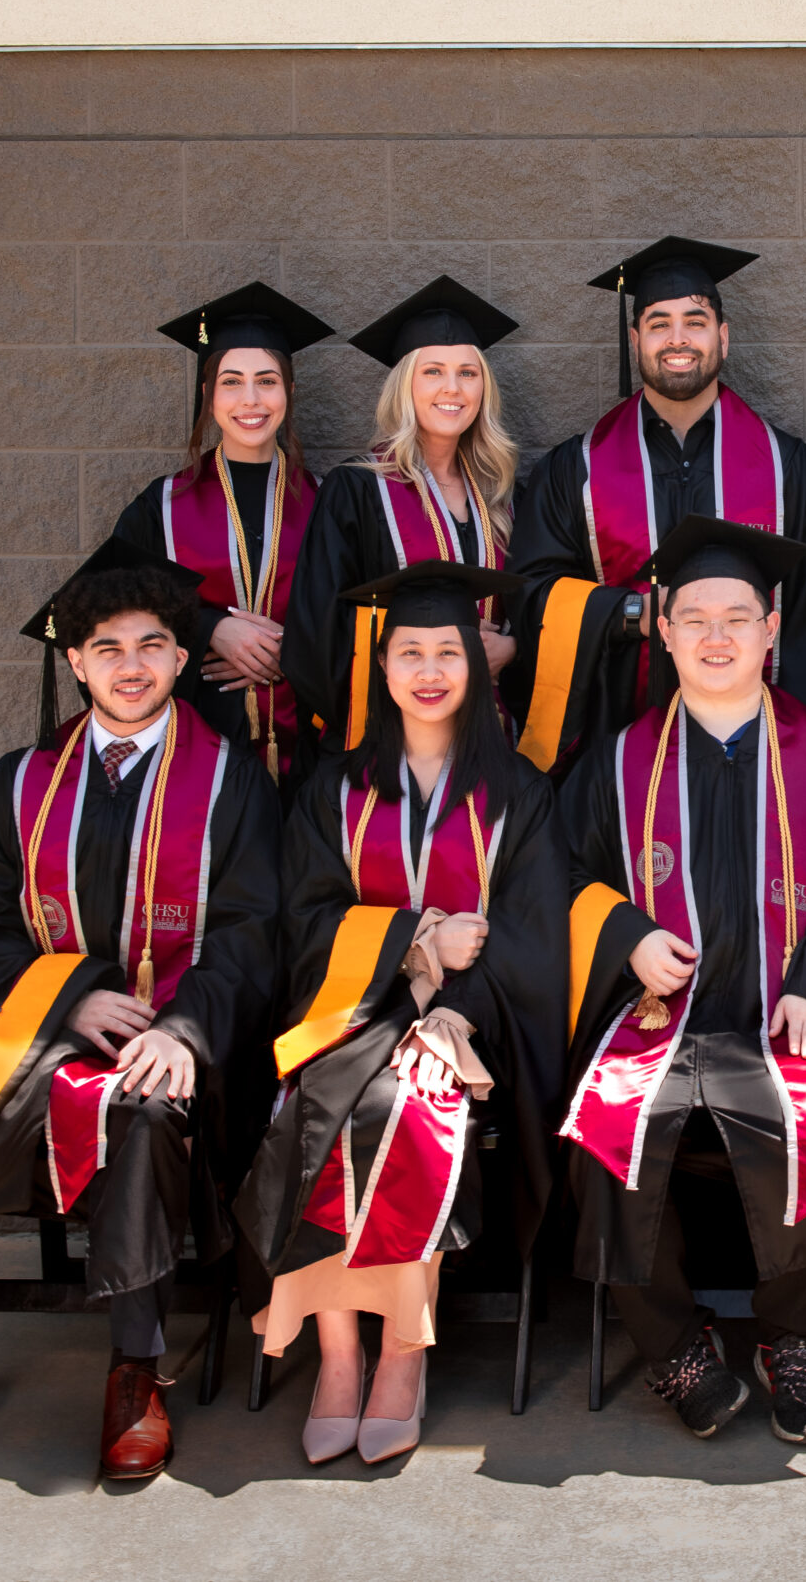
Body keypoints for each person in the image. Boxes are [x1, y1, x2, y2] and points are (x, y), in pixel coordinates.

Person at [0, 539, 282, 1479]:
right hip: (45, 1038)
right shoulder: (23, 782)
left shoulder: (233, 782)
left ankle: (135, 1369)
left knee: (147, 1115)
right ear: (74, 661)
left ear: (183, 657)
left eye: (153, 645)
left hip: (173, 1042)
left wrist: (187, 1031)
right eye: (107, 649)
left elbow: (253, 934)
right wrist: (72, 1000)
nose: (133, 666)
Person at [558, 517, 806, 1445]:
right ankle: (672, 1343)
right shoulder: (618, 761)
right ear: (661, 631)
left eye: (736, 618)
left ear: (772, 626)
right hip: (657, 1022)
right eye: (694, 617)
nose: (715, 637)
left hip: (786, 1019)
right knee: (603, 1136)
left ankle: (794, 1338)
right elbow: (561, 880)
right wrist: (624, 933)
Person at [235, 560, 569, 1465]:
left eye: (448, 651)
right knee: (330, 1095)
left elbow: (537, 943)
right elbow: (299, 926)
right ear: (382, 671)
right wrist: (418, 944)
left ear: (477, 665)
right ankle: (337, 1351)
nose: (430, 670)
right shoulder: (333, 791)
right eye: (411, 652)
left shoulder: (521, 795)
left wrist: (452, 1011)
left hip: (468, 1030)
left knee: (398, 1102)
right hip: (345, 1019)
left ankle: (400, 1350)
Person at [507, 237, 806, 770]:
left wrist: (795, 754)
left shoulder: (789, 470)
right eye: (658, 322)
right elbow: (534, 596)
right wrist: (629, 613)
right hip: (615, 749)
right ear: (635, 338)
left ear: (724, 336)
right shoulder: (574, 468)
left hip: (759, 754)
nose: (678, 338)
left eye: (695, 320)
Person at [282, 274, 524, 751]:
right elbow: (317, 632)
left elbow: (534, 604)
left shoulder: (504, 495)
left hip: (490, 738)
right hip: (388, 737)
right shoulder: (356, 490)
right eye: (432, 371)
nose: (452, 388)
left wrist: (514, 648)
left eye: (468, 373)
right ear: (404, 384)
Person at [112, 281, 333, 791]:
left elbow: (358, 614)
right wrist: (208, 627)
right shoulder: (162, 505)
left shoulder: (328, 500)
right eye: (231, 382)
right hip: (193, 745)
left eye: (267, 381)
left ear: (289, 393)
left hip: (310, 754)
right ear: (208, 394)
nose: (250, 400)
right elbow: (114, 609)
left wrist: (294, 647)